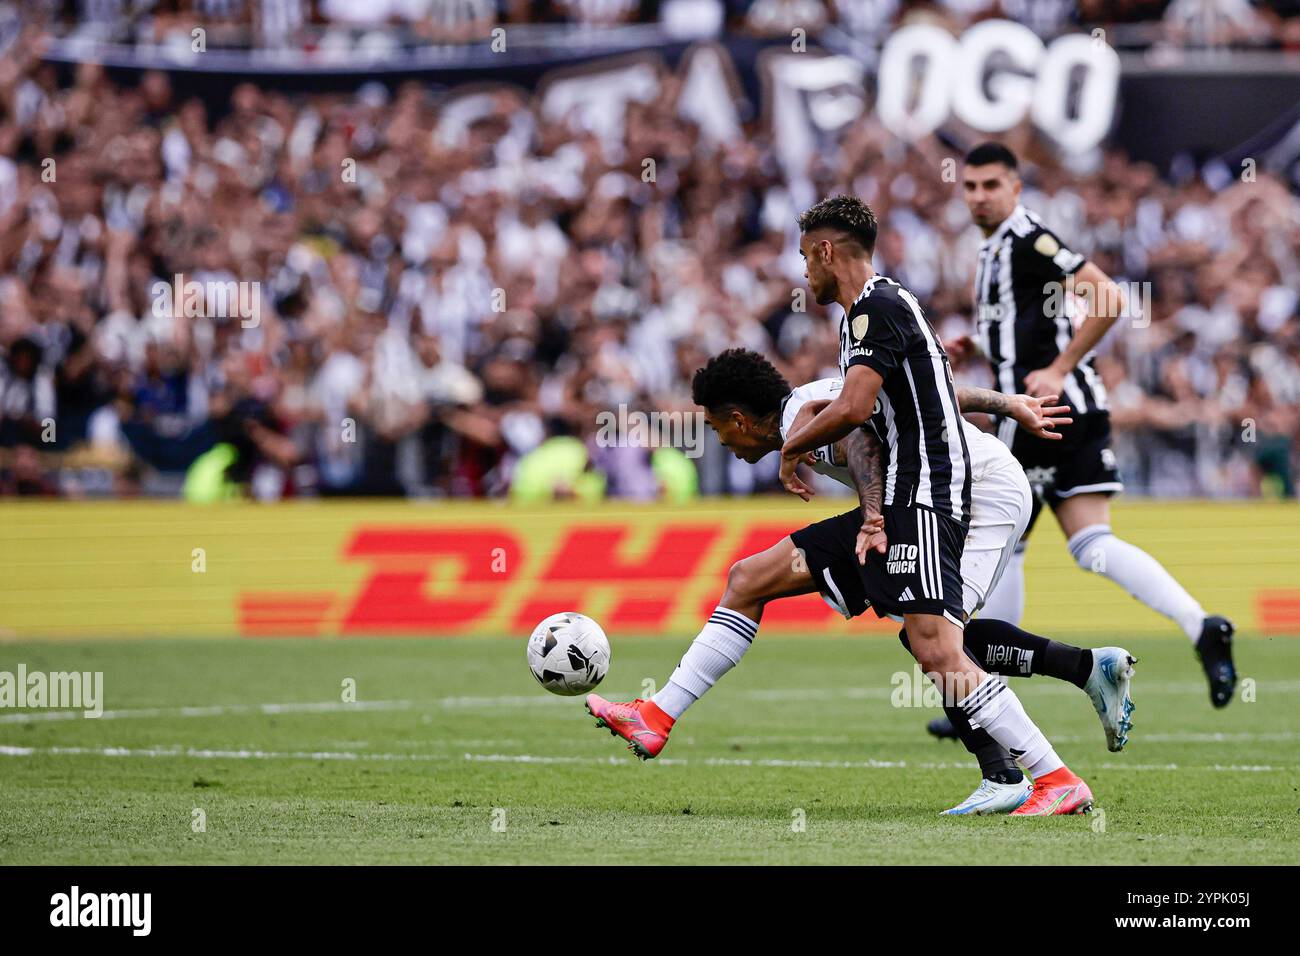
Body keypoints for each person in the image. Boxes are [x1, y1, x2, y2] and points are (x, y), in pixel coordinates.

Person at [586, 349, 1136, 814]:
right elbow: (929, 393)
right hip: (920, 501)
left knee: (938, 640)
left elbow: (860, 447)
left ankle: (1049, 766)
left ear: (739, 417)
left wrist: (872, 517)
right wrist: (1004, 402)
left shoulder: (806, 420)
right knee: (750, 579)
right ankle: (655, 716)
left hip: (978, 494)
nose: (723, 442)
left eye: (717, 428)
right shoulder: (814, 400)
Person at [951, 141, 1236, 711]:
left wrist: (1057, 370)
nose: (980, 196)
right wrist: (978, 343)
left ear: (1015, 188)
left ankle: (983, 689)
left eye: (991, 185)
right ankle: (1201, 625)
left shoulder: (1027, 239)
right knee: (1088, 543)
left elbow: (1108, 296)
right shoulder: (993, 251)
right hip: (1070, 407)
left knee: (1001, 539)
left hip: (1040, 412)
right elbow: (1032, 326)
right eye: (971, 186)